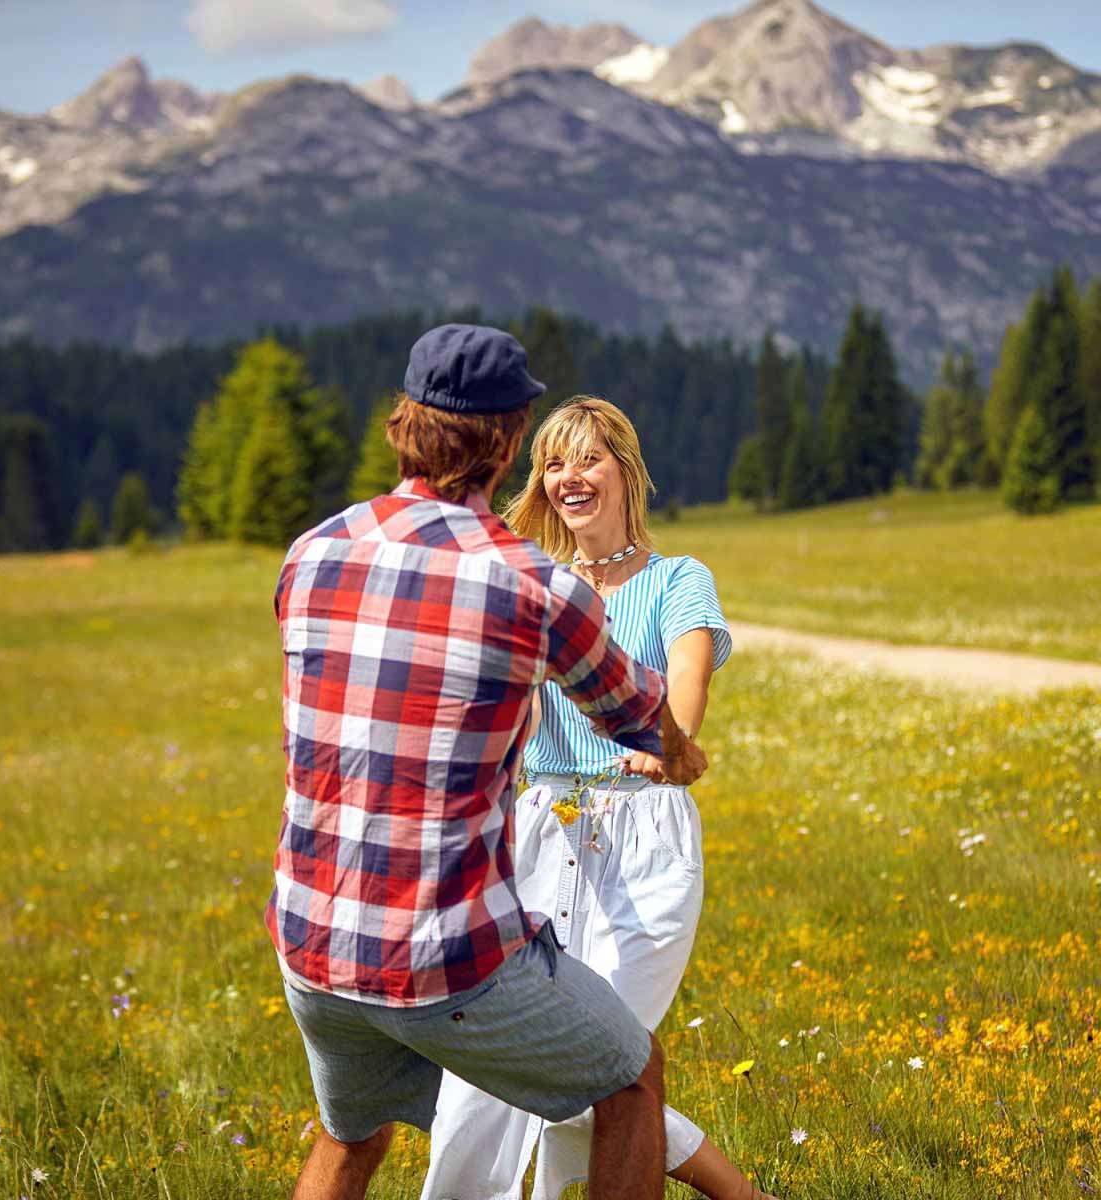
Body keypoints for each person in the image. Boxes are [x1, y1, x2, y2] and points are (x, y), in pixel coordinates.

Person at [266, 327, 710, 1200]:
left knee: (350, 1137)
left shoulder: (311, 553)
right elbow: (647, 721)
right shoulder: (534, 586)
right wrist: (683, 756)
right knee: (632, 1076)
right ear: (512, 443)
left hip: (309, 939)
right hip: (442, 952)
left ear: (403, 423)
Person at [422, 397, 777, 1200]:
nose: (568, 478)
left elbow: (687, 678)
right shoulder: (532, 583)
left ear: (624, 466)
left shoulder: (679, 580)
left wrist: (669, 743)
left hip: (644, 837)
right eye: (552, 463)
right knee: (482, 1083)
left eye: (586, 459)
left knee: (601, 1063)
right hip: (536, 836)